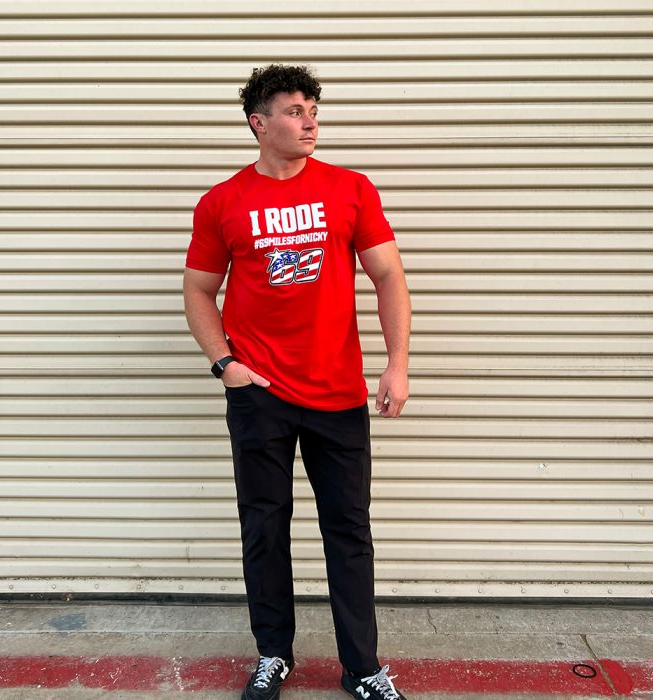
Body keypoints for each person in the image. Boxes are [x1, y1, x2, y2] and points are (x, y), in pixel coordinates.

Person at [183, 64, 411, 700]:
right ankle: (273, 654)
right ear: (259, 123)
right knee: (264, 527)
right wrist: (224, 364)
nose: (309, 121)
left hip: (337, 392)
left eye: (313, 109)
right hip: (259, 395)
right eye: (293, 110)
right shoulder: (222, 201)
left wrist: (397, 363)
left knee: (349, 531)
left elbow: (388, 276)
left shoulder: (350, 189)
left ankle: (361, 666)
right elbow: (198, 290)